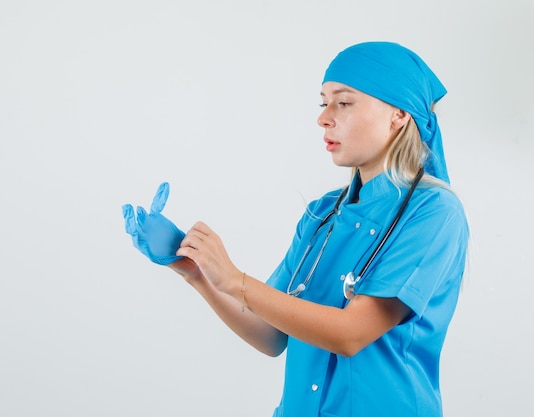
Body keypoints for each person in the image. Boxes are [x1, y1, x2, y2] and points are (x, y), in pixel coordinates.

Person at [122, 41, 469, 417]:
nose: (324, 118)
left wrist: (234, 278)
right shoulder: (322, 214)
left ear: (399, 115)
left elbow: (351, 334)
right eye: (323, 103)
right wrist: (195, 271)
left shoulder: (433, 213)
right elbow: (270, 335)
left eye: (344, 102)